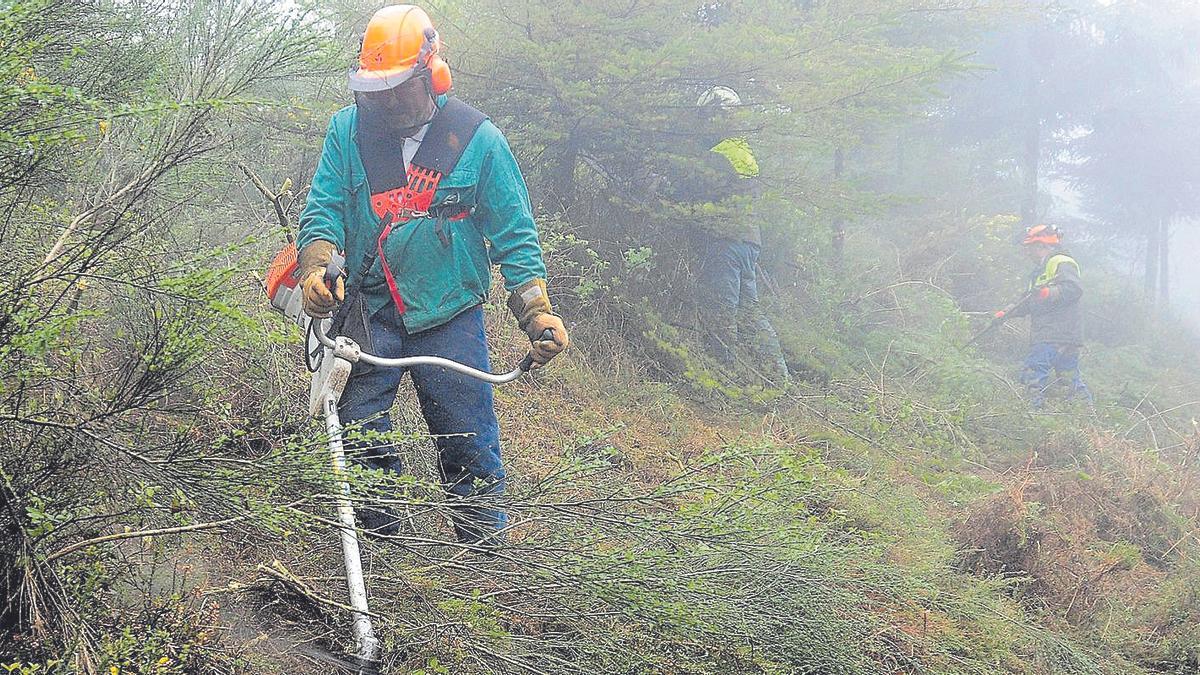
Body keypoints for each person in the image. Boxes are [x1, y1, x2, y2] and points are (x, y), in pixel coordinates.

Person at [294, 4, 568, 546]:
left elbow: (514, 234)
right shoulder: (347, 131)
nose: (384, 102)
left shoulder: (476, 139)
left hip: (449, 313)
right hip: (369, 308)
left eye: (396, 89)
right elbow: (323, 208)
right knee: (359, 430)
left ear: (431, 74)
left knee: (467, 438)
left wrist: (536, 312)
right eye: (375, 90)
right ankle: (386, 550)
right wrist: (316, 264)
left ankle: (483, 553)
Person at [690, 86, 789, 384]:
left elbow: (698, 198)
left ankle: (723, 382)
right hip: (749, 243)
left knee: (722, 314)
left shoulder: (719, 155)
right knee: (751, 313)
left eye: (708, 116)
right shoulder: (744, 152)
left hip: (725, 243)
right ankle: (779, 380)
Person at [994, 224, 1091, 408]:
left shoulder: (1061, 262)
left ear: (1041, 246)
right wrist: (1006, 313)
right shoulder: (1040, 271)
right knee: (1070, 382)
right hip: (1065, 336)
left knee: (1033, 374)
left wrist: (1047, 293)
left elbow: (1074, 289)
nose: (1027, 253)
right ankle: (1090, 422)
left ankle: (1031, 418)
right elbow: (1029, 301)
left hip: (1052, 334)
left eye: (1029, 248)